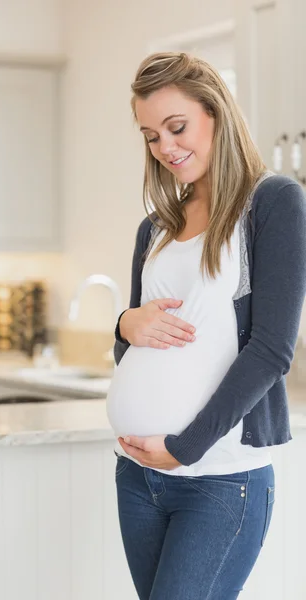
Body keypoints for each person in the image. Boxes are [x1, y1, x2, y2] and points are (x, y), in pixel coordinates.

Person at [106, 52, 306, 600]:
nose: (165, 147)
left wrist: (186, 446)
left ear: (215, 112)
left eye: (177, 127)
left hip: (220, 475)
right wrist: (125, 324)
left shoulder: (272, 202)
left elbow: (271, 350)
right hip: (138, 476)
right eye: (151, 136)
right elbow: (131, 348)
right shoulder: (156, 228)